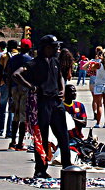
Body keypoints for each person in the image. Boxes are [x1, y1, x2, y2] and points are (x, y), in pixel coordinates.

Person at [13, 35, 71, 179]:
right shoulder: (33, 64)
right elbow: (16, 74)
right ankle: (40, 169)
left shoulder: (55, 62)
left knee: (63, 135)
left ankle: (67, 165)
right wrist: (31, 87)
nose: (57, 48)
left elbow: (60, 77)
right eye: (54, 46)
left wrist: (62, 89)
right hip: (42, 103)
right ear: (46, 48)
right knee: (42, 137)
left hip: (56, 103)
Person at [6, 39, 34, 150]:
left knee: (15, 115)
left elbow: (8, 74)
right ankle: (20, 143)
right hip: (25, 88)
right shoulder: (30, 60)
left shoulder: (12, 59)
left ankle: (13, 141)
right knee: (23, 117)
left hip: (14, 88)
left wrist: (9, 91)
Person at [0, 39, 17, 139]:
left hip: (5, 84)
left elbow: (1, 70)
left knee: (2, 107)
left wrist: (1, 82)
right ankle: (9, 131)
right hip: (14, 84)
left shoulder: (4, 56)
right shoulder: (18, 56)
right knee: (11, 109)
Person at [92, 48, 105, 128]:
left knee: (99, 105)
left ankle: (98, 123)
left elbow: (89, 68)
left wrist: (96, 60)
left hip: (98, 85)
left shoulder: (98, 64)